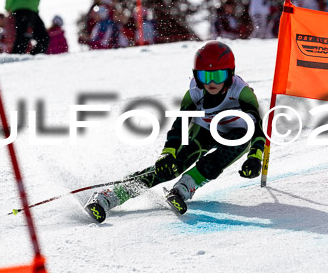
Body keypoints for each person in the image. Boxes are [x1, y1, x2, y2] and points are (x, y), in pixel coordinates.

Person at [84, 41, 266, 223]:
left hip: (237, 133)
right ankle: (111, 195)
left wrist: (255, 157)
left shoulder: (242, 92)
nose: (211, 82)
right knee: (170, 168)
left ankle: (187, 186)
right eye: (204, 76)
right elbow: (180, 126)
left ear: (230, 75)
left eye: (218, 76)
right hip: (203, 129)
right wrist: (167, 154)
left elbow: (258, 129)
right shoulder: (195, 92)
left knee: (235, 144)